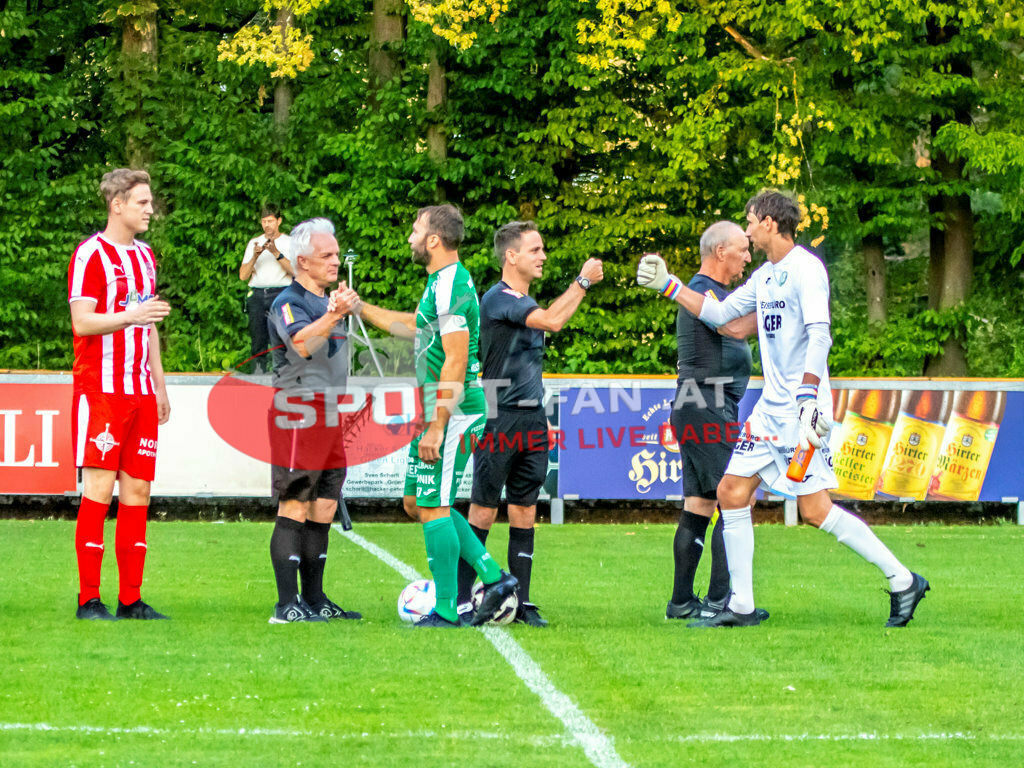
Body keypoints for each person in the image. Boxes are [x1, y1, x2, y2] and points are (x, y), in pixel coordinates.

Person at [637, 190, 929, 628]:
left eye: (751, 221)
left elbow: (820, 335)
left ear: (770, 223)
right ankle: (740, 606)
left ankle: (903, 579)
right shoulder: (766, 275)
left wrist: (810, 397)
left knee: (815, 512)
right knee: (731, 492)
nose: (748, 230)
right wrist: (669, 285)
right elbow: (722, 318)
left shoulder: (806, 269)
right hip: (770, 411)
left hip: (799, 411)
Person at [358, 204, 518, 628]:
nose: (410, 237)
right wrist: (361, 308)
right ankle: (493, 576)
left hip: (452, 412)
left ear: (433, 239)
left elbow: (455, 360)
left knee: (434, 506)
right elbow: (415, 327)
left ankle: (448, 609)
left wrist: (437, 424)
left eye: (415, 230)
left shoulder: (450, 286)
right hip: (438, 411)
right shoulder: (440, 284)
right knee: (416, 503)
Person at [454, 221, 603, 627]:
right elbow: (553, 321)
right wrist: (582, 283)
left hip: (532, 417)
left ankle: (519, 602)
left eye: (542, 249)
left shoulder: (523, 298)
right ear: (511, 256)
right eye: (535, 249)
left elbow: (552, 319)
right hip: (499, 417)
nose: (543, 256)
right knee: (482, 512)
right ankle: (462, 600)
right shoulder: (498, 299)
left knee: (524, 511)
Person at [67, 168, 172, 621]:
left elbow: (146, 324)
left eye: (150, 202)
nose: (151, 210)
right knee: (99, 489)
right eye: (143, 203)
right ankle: (89, 598)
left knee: (139, 490)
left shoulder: (146, 256)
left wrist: (160, 383)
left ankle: (131, 599)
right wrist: (131, 314)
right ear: (118, 205)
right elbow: (82, 323)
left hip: (140, 392)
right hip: (102, 388)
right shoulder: (91, 255)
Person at [265, 217, 363, 623]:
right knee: (296, 504)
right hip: (296, 413)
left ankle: (315, 598)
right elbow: (302, 345)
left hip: (328, 413)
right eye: (327, 255)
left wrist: (340, 310)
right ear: (302, 261)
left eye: (337, 254)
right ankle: (286, 604)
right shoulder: (287, 301)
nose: (335, 261)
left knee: (324, 505)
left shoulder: (328, 302)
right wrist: (335, 314)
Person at [662, 221, 759, 621]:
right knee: (736, 498)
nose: (748, 257)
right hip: (708, 403)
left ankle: (682, 602)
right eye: (742, 249)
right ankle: (723, 601)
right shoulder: (703, 293)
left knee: (700, 505)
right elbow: (729, 325)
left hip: (699, 404)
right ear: (720, 252)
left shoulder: (708, 292)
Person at [240, 205, 293, 374]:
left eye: (270, 221)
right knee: (258, 339)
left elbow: (296, 272)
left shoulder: (289, 242)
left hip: (282, 293)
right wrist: (255, 256)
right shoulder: (254, 243)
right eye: (264, 221)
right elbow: (243, 275)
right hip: (257, 294)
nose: (267, 225)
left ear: (279, 221)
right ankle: (258, 375)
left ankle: (284, 376)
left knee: (282, 338)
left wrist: (276, 253)